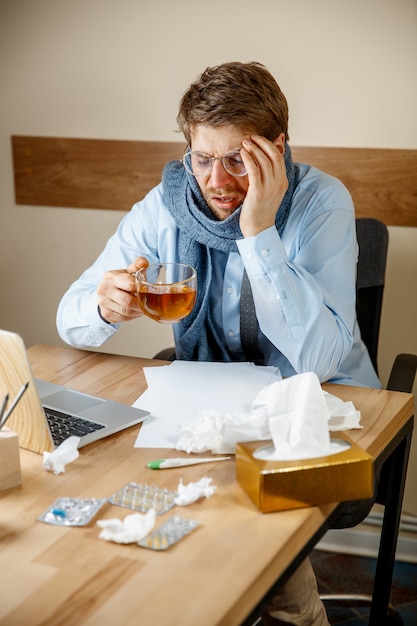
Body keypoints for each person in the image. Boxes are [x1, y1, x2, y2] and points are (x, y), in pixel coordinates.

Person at [57, 61, 380, 625]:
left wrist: (259, 232)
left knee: (241, 505)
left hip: (320, 409)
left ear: (278, 149)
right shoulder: (168, 204)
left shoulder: (320, 202)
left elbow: (319, 360)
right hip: (211, 410)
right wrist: (104, 304)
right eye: (203, 159)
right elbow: (69, 319)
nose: (217, 181)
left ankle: (294, 616)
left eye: (239, 160)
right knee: (131, 488)